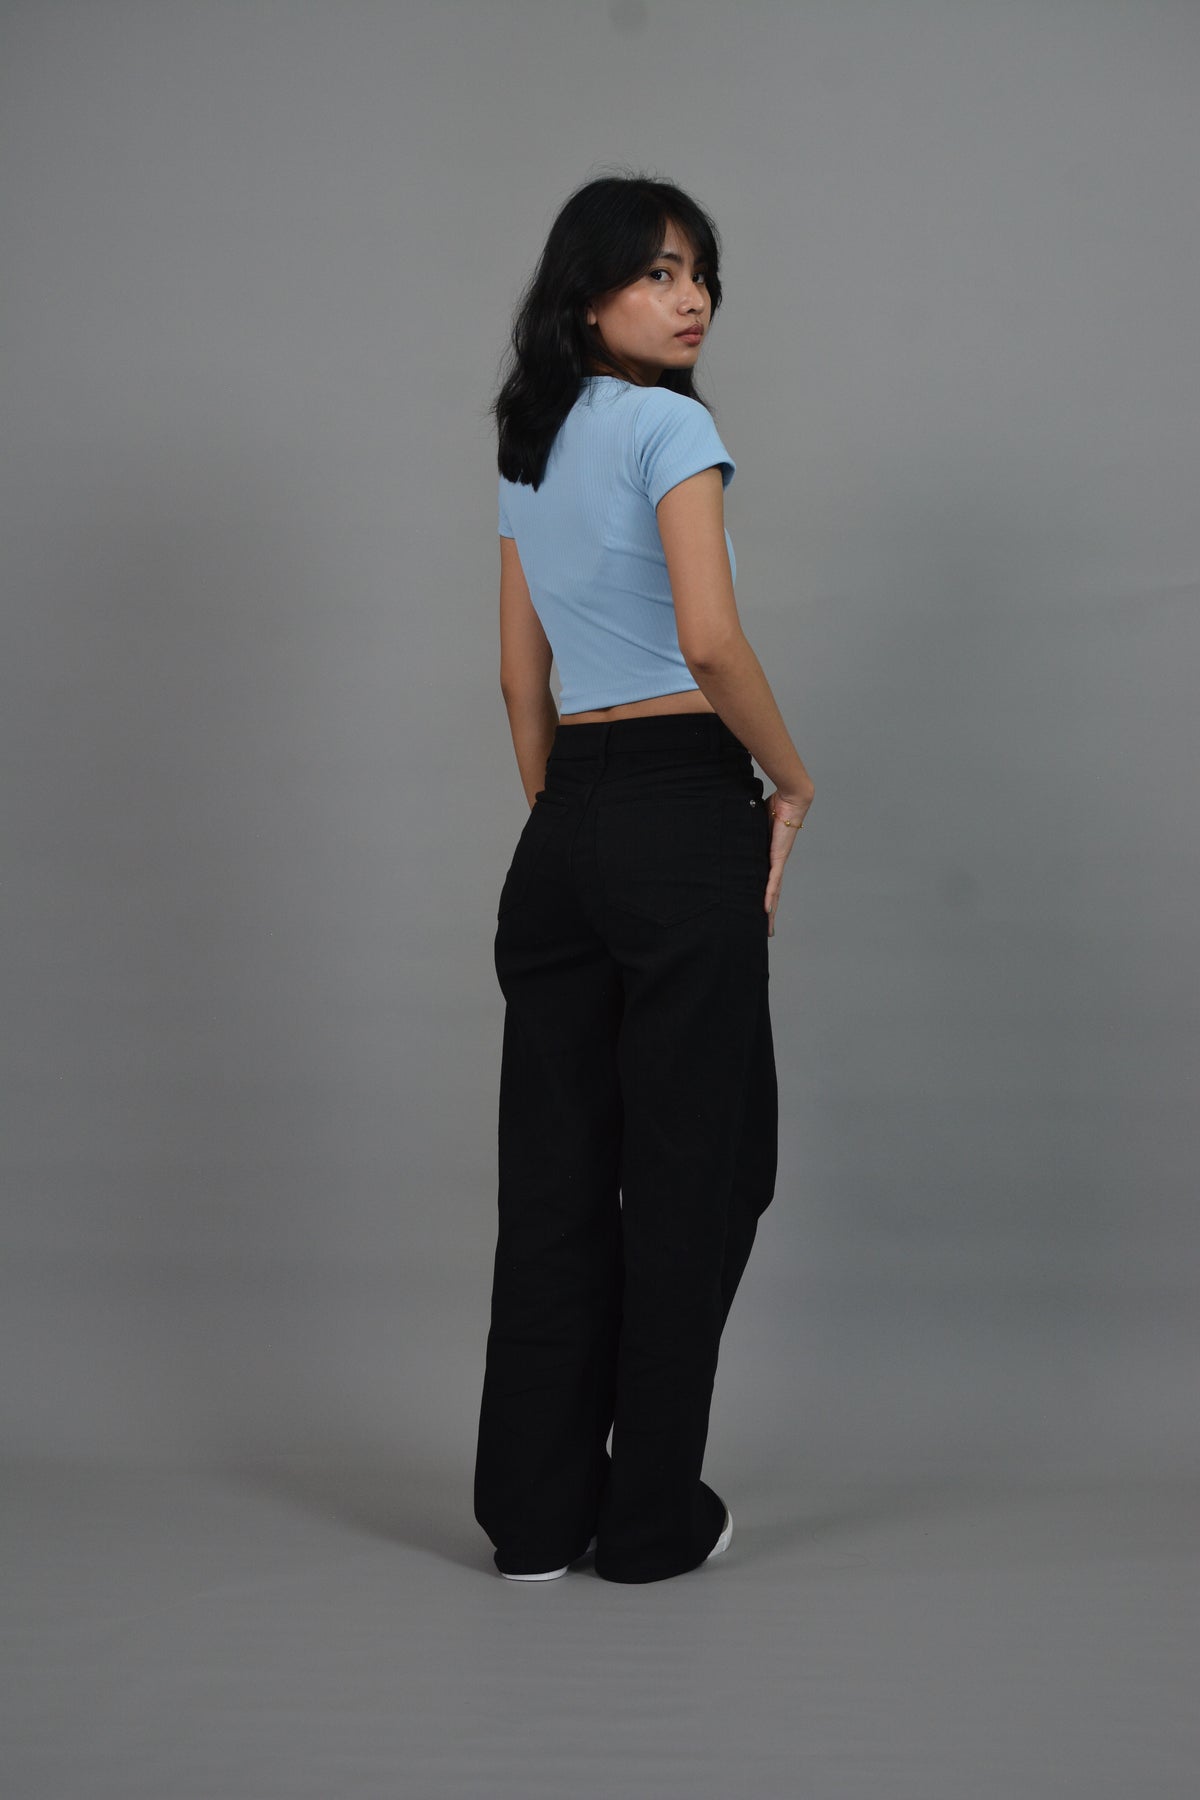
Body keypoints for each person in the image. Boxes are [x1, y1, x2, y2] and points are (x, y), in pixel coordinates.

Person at [473, 172, 815, 1585]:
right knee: (703, 1168)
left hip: (564, 825)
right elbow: (712, 642)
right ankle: (647, 1518)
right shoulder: (673, 426)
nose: (691, 300)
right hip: (683, 806)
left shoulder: (529, 443)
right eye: (658, 272)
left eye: (700, 273)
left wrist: (575, 825)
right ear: (588, 293)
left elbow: (519, 679)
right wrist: (789, 780)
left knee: (557, 1178)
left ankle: (534, 1518)